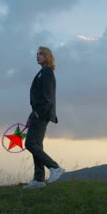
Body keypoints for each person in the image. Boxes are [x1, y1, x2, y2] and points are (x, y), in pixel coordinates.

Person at [23, 46, 65, 189]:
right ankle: (39, 180)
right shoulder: (42, 72)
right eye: (37, 54)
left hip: (42, 113)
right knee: (37, 145)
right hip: (38, 113)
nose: (37, 56)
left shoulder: (46, 72)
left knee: (30, 144)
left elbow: (47, 97)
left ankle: (55, 167)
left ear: (47, 56)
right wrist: (31, 115)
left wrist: (39, 113)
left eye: (41, 54)